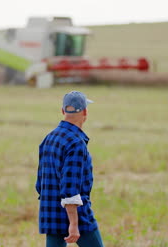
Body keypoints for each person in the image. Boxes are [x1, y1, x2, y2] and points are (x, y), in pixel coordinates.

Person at [36, 91, 104, 247]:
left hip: (51, 212)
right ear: (85, 112)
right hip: (77, 215)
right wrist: (74, 223)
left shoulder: (49, 138)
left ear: (63, 111)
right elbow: (70, 187)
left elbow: (40, 184)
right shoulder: (76, 143)